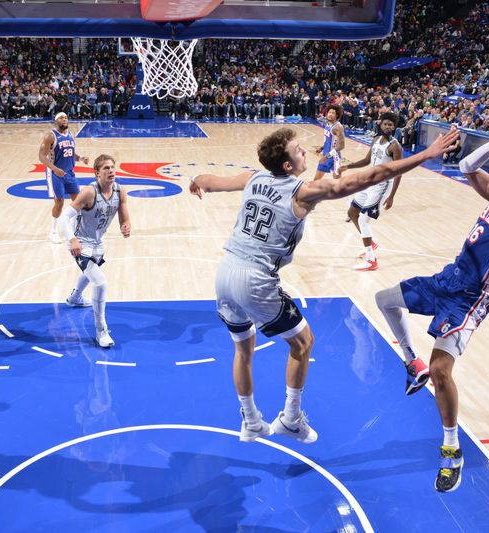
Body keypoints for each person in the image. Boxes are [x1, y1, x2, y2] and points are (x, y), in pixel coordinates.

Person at [190, 126, 460, 444]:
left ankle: (250, 422)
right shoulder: (301, 192)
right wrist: (425, 155)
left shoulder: (252, 178)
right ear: (287, 165)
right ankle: (290, 418)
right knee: (303, 343)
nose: (305, 151)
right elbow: (375, 175)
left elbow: (212, 181)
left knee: (243, 351)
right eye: (298, 149)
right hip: (255, 279)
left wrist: (197, 182)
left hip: (225, 274)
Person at [375, 110, 489, 493]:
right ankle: (413, 362)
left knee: (442, 371)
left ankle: (451, 450)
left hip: (471, 297)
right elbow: (465, 165)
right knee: (384, 299)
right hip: (449, 277)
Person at [58, 154, 131, 348]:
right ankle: (101, 331)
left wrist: (126, 226)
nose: (111, 171)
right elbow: (63, 219)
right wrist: (72, 239)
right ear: (97, 173)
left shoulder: (120, 191)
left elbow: (125, 218)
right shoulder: (89, 192)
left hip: (98, 243)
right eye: (106, 168)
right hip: (80, 243)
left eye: (113, 167)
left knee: (90, 272)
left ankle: (75, 298)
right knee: (100, 283)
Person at [339, 111, 403, 271]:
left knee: (363, 219)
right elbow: (367, 161)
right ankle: (371, 244)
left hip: (382, 186)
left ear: (394, 127)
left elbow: (399, 172)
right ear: (380, 124)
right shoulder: (375, 140)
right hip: (369, 181)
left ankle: (371, 260)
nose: (388, 126)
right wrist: (348, 166)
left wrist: (392, 197)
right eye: (386, 124)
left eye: (391, 124)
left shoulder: (395, 146)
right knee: (352, 213)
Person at [39, 112, 89, 243]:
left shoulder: (71, 135)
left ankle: (73, 229)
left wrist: (81, 158)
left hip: (69, 173)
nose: (64, 119)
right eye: (61, 118)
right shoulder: (50, 136)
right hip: (55, 173)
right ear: (56, 121)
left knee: (78, 202)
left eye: (66, 117)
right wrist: (55, 169)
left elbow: (71, 153)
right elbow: (41, 156)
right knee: (59, 202)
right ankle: (53, 232)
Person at [313, 104, 345, 180]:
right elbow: (328, 141)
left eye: (333, 113)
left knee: (337, 182)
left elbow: (341, 145)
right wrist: (321, 148)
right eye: (329, 112)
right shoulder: (327, 124)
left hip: (334, 158)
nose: (330, 114)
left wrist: (327, 156)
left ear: (337, 115)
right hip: (325, 155)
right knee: (316, 180)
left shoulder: (338, 127)